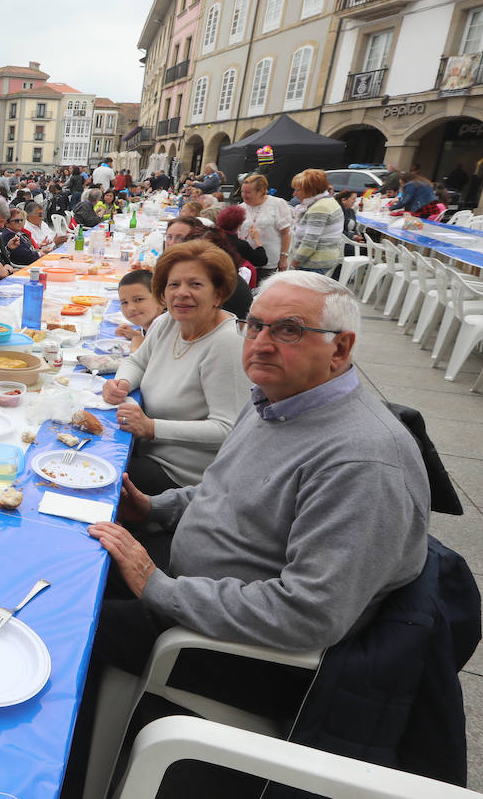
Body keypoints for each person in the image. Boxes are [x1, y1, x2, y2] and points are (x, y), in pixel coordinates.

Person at [87, 271, 429, 709]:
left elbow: (306, 615)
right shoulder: (276, 397)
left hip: (232, 647)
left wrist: (157, 587)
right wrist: (154, 507)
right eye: (255, 326)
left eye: (289, 330)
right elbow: (226, 491)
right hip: (192, 583)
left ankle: (69, 771)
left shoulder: (362, 462)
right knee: (66, 556)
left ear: (340, 349)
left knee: (64, 624)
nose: (261, 344)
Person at [100, 240, 250, 495]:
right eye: (173, 284)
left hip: (182, 476)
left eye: (195, 284)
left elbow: (227, 429)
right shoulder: (168, 322)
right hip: (146, 447)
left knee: (96, 477)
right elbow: (137, 361)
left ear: (219, 293)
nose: (181, 293)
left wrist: (151, 428)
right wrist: (122, 383)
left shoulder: (227, 343)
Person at [237, 173, 292, 281]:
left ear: (261, 191)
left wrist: (284, 258)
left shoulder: (277, 204)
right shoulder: (241, 207)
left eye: (248, 192)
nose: (243, 195)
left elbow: (286, 233)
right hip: (245, 261)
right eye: (242, 191)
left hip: (268, 261)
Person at [289, 169, 344, 275]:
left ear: (311, 190)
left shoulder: (320, 208)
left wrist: (294, 264)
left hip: (313, 264)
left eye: (298, 190)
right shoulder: (327, 201)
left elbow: (309, 243)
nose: (294, 194)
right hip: (321, 261)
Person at [114, 269, 165, 354]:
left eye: (138, 299)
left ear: (159, 298)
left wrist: (136, 351)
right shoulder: (150, 323)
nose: (130, 308)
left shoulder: (165, 326)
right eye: (124, 302)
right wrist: (135, 335)